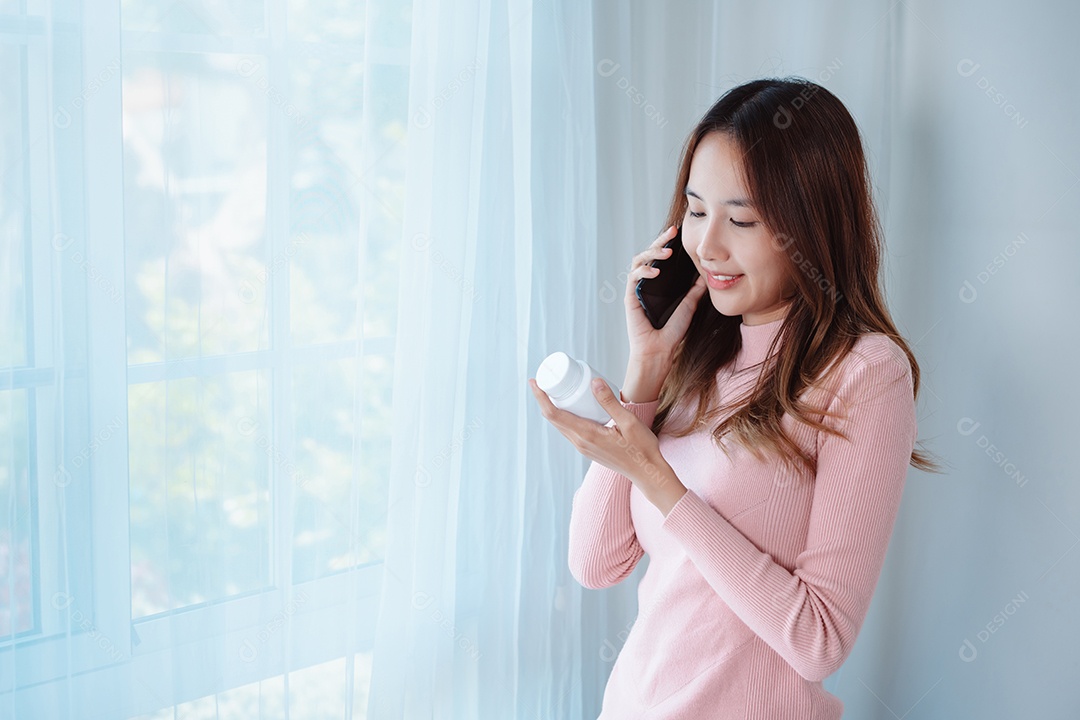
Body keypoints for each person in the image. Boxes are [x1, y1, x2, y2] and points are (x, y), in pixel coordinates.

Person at [528, 77, 941, 719]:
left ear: (809, 227)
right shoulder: (696, 356)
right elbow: (595, 562)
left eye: (741, 220)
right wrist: (647, 368)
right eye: (695, 210)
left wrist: (660, 482)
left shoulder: (863, 374)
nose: (707, 245)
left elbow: (819, 639)